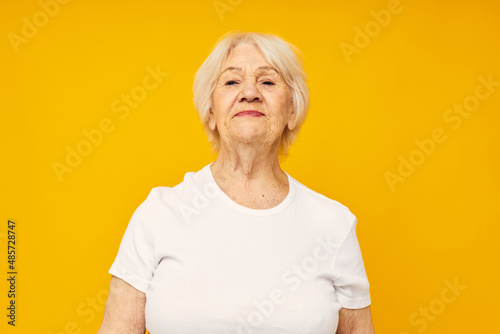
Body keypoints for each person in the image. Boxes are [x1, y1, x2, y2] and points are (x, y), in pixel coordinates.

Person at [98, 30, 375, 334]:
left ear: (292, 111)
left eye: (268, 81)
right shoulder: (159, 214)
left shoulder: (333, 224)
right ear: (211, 111)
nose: (250, 92)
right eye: (231, 81)